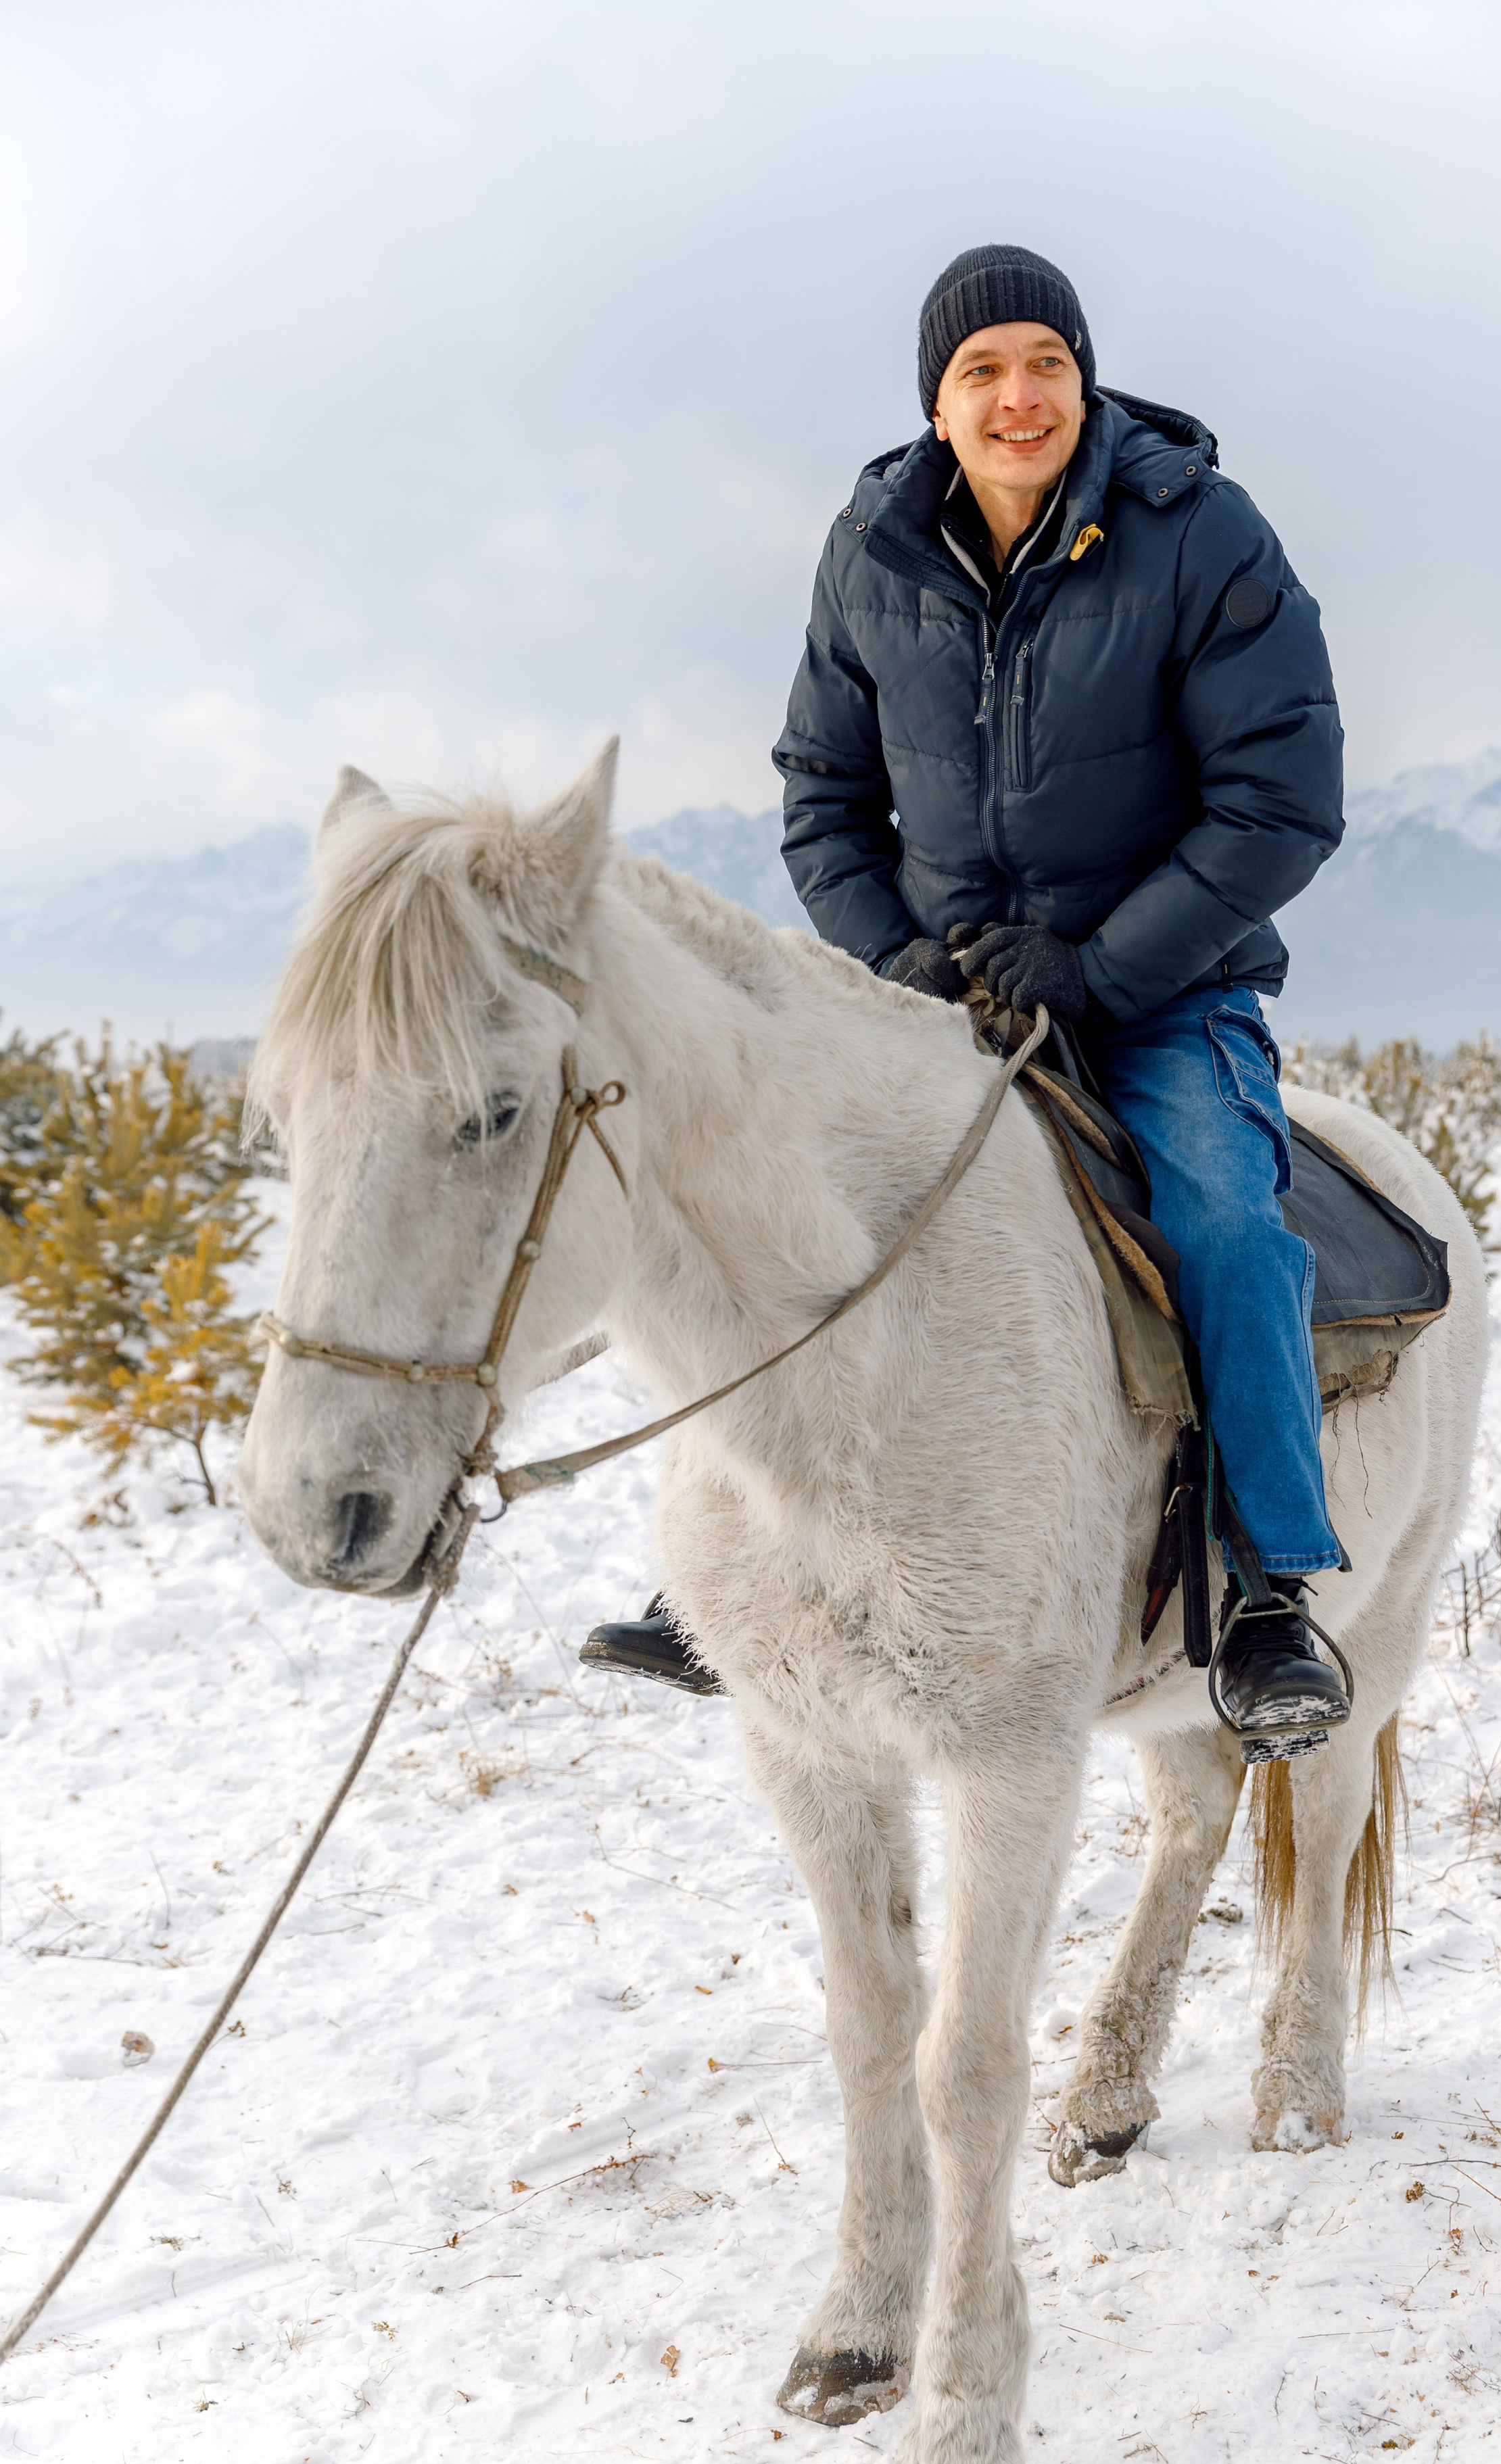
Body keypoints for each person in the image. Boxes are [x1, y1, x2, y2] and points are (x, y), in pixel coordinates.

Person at [581, 243, 1350, 1748]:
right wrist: (900, 963)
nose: (1017, 398)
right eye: (979, 373)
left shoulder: (1198, 534)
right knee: (751, 1208)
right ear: (935, 405)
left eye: (1043, 365)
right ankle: (728, 1576)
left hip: (1155, 997)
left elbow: (1279, 800)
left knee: (1220, 1226)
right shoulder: (870, 549)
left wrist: (1102, 964)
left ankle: (1268, 1595)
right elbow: (821, 794)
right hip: (936, 999)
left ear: (1084, 378)